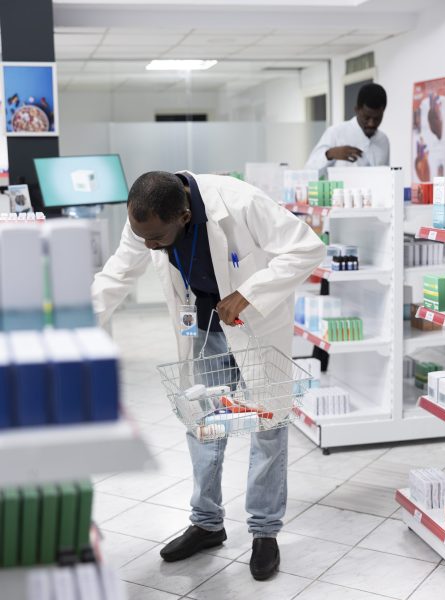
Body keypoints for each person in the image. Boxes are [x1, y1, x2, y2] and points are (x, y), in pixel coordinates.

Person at [92, 170, 324, 580]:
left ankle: (265, 532)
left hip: (253, 326)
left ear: (182, 216)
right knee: (201, 422)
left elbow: (307, 247)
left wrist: (250, 292)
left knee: (268, 423)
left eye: (156, 240)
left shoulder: (238, 202)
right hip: (200, 328)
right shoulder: (146, 219)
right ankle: (206, 523)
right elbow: (116, 276)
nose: (147, 245)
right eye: (141, 236)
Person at [305, 83, 389, 178]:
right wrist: (330, 154)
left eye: (377, 118)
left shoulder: (383, 140)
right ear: (357, 110)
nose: (371, 123)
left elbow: (386, 177)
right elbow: (309, 170)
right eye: (366, 117)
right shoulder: (336, 133)